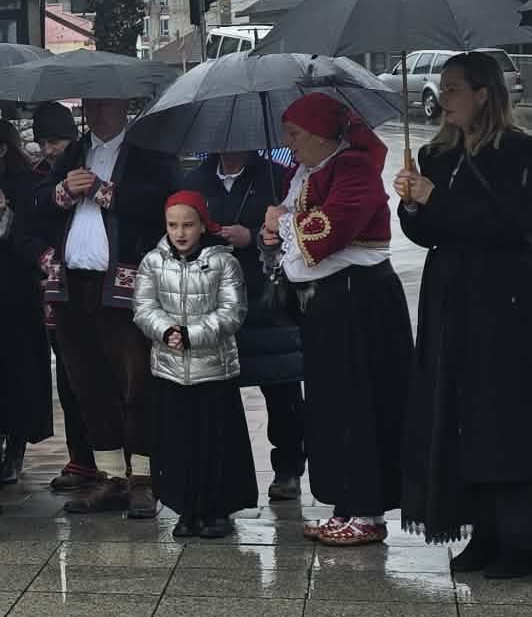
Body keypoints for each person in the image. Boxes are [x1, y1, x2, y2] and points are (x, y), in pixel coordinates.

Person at [395, 54, 532, 578]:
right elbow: (427, 233)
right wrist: (411, 205)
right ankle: (481, 528)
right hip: (452, 295)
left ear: (483, 94)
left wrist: (436, 199)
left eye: (454, 88)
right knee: (460, 411)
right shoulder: (435, 153)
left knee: (506, 412)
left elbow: (511, 222)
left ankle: (523, 537)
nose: (443, 96)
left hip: (507, 298)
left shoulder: (519, 150)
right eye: (442, 88)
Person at [262, 94, 412, 547]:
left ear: (322, 133)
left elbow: (329, 231)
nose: (289, 143)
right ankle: (344, 503)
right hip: (327, 302)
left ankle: (367, 510)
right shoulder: (304, 171)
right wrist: (275, 228)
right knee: (330, 405)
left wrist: (282, 222)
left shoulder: (354, 169)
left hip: (360, 301)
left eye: (295, 134)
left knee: (359, 404)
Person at [35, 94, 176, 517]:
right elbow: (36, 205)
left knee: (137, 384)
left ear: (122, 107)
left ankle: (144, 479)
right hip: (72, 285)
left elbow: (166, 203)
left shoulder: (148, 151)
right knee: (88, 384)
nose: (95, 113)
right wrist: (63, 191)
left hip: (125, 286)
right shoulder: (73, 152)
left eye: (103, 105)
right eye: (89, 106)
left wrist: (105, 191)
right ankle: (111, 476)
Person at [187, 149, 306, 504]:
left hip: (266, 298)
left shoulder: (275, 177)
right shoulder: (196, 179)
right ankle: (225, 471)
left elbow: (295, 233)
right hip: (215, 299)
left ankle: (288, 468)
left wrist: (251, 236)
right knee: (218, 392)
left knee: (281, 387)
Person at [134, 191, 255, 538]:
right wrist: (166, 331)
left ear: (202, 225)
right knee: (177, 442)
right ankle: (186, 509)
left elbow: (233, 312)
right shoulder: (152, 262)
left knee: (215, 443)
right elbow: (143, 307)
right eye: (173, 225)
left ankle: (218, 511)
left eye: (188, 225)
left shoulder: (224, 263)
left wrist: (192, 335)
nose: (180, 232)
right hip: (169, 370)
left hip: (214, 370)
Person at [0, 119, 53, 487]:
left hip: (17, 293)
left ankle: (16, 446)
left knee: (18, 373)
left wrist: (8, 212)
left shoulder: (26, 183)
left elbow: (32, 231)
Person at [30, 102, 93, 494]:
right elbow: (27, 228)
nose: (48, 149)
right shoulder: (39, 178)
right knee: (69, 379)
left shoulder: (94, 167)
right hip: (56, 289)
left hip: (98, 285)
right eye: (42, 142)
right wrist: (45, 258)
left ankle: (120, 462)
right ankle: (80, 458)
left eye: (55, 140)